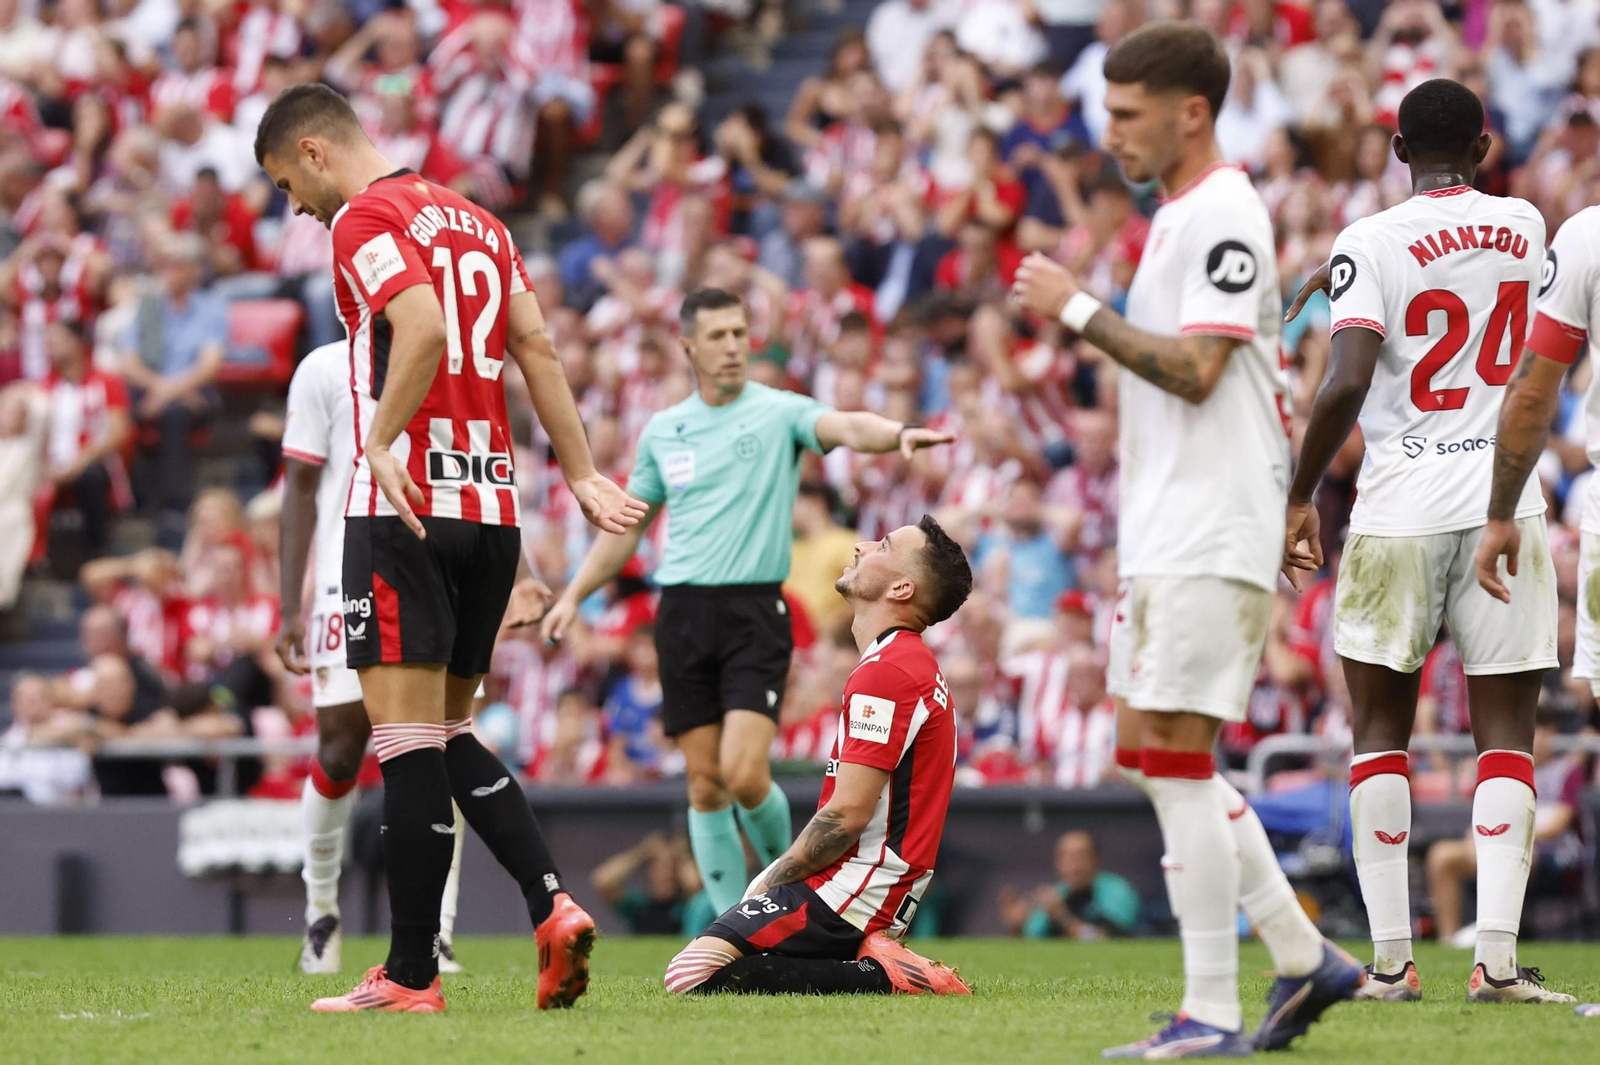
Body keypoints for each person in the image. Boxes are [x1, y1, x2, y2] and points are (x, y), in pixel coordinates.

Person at [254, 83, 645, 1014]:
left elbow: (419, 326)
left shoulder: (364, 217)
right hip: (494, 510)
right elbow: (538, 349)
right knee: (450, 730)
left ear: (314, 152)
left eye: (283, 183)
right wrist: (583, 471)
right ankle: (550, 903)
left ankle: (410, 975)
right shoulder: (480, 221)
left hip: (405, 507)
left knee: (402, 742)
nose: (294, 208)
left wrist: (382, 439)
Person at [1011, 22, 1359, 1056]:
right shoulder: (1177, 218)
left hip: (1208, 524)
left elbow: (1203, 370)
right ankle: (1305, 959)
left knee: (1175, 754)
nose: (1105, 130)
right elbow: (1253, 382)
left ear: (1188, 112)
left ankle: (1207, 1011)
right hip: (1176, 521)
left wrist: (1073, 306)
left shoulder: (1222, 213)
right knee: (1156, 757)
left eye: (1125, 114)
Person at [1281, 78, 1572, 1006]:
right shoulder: (1527, 224)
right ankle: (1493, 959)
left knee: (1378, 737)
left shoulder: (1367, 239)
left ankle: (1394, 961)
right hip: (1505, 503)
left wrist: (1297, 493)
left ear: (1397, 150)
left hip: (1398, 505)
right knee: (1507, 744)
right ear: (1485, 147)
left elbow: (1346, 379)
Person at [541, 288, 952, 920]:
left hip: (754, 612)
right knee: (704, 782)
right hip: (679, 613)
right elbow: (628, 527)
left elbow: (843, 426)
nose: (732, 346)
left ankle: (784, 896)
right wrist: (574, 594)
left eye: (739, 333)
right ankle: (730, 926)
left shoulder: (777, 412)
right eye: (718, 336)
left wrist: (894, 433)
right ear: (689, 346)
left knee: (743, 772)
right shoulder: (663, 430)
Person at [661, 515, 974, 997]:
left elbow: (847, 815)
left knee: (691, 975)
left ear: (902, 588)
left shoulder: (889, 671)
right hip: (864, 884)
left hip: (856, 887)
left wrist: (771, 877)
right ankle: (878, 965)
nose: (863, 545)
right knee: (740, 963)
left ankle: (887, 977)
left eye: (884, 546)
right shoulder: (901, 661)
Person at [275, 342, 468, 976]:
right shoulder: (323, 368)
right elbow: (300, 484)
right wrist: (288, 606)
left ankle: (437, 932)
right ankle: (320, 913)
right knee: (339, 748)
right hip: (344, 570)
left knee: (441, 743)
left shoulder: (443, 352)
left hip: (432, 566)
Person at [1424, 709, 1588, 947]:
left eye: (1542, 729)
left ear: (1552, 734)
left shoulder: (1566, 771)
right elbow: (1484, 815)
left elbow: (1558, 824)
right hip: (1500, 841)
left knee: (1520, 855)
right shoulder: (1508, 769)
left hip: (1551, 853)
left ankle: (1497, 935)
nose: (1536, 737)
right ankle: (1450, 939)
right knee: (1443, 855)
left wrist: (1513, 837)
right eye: (1531, 729)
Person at [1000, 830, 1143, 939]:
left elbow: (1111, 939)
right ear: (1057, 864)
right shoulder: (1056, 895)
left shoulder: (1116, 891)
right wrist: (1016, 927)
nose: (1074, 865)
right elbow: (1031, 943)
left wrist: (1062, 918)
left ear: (1096, 860)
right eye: (1066, 857)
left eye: (1081, 856)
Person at [591, 832, 715, 937]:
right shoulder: (641, 905)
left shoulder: (686, 906)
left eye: (671, 868)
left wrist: (681, 855)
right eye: (659, 868)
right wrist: (641, 853)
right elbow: (603, 881)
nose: (665, 875)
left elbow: (695, 885)